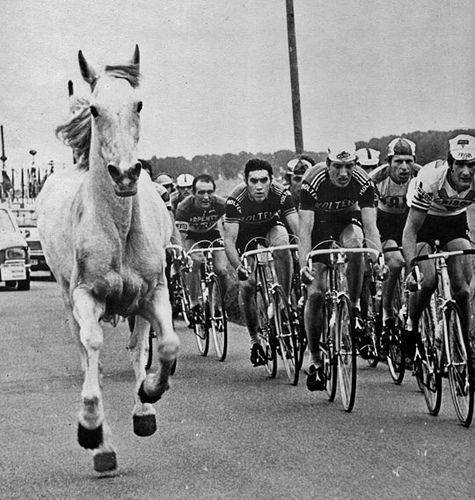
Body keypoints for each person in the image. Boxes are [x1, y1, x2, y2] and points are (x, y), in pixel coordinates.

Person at [298, 142, 382, 391]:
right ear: (327, 165)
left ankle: (354, 308)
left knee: (357, 247)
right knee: (315, 293)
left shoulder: (363, 180)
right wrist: (304, 264)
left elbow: (371, 228)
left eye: (349, 166)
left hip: (347, 219)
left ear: (355, 165)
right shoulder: (312, 180)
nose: (344, 173)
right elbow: (304, 231)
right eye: (337, 167)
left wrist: (377, 259)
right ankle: (314, 360)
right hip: (319, 225)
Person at [403, 134, 475, 359]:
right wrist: (410, 269)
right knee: (428, 281)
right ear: (450, 164)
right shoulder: (430, 178)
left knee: (462, 291)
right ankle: (411, 325)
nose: (466, 172)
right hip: (426, 219)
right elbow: (410, 231)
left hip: (454, 220)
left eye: (471, 165)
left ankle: (464, 347)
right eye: (460, 164)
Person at [223, 158, 299, 366]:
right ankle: (255, 340)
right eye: (253, 181)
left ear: (271, 180)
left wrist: (304, 250)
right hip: (244, 236)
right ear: (246, 181)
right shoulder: (235, 199)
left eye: (263, 180)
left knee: (284, 245)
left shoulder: (281, 193)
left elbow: (297, 227)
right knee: (247, 286)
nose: (258, 186)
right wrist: (239, 268)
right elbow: (228, 240)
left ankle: (283, 301)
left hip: (269, 227)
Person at [369, 138, 420, 350]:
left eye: (408, 161)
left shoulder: (420, 174)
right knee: (396, 263)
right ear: (389, 162)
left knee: (417, 268)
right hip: (385, 223)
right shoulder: (376, 178)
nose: (404, 167)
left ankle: (412, 314)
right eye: (398, 162)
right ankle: (387, 312)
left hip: (411, 221)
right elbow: (369, 218)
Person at [175, 173, 228, 322]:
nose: (206, 197)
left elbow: (230, 226)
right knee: (196, 261)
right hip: (191, 236)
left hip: (212, 234)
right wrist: (184, 255)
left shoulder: (221, 204)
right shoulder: (184, 207)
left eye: (210, 192)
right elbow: (182, 236)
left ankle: (218, 305)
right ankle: (194, 301)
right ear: (193, 193)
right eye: (201, 192)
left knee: (222, 271)